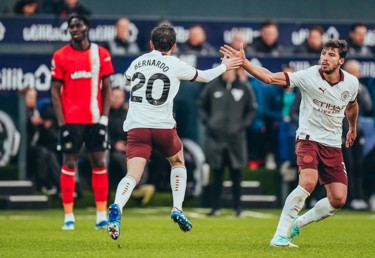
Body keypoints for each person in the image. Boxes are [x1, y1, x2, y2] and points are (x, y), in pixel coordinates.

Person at [106, 24, 242, 240]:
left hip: (137, 126)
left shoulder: (137, 61)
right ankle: (177, 208)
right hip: (162, 126)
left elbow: (126, 81)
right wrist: (225, 66)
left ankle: (117, 206)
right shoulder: (175, 63)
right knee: (178, 162)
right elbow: (204, 76)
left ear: (151, 43)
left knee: (132, 174)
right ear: (174, 45)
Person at [220, 39, 359, 247]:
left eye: (331, 55)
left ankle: (299, 223)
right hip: (308, 139)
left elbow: (352, 105)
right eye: (323, 53)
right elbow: (269, 77)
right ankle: (280, 235)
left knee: (338, 199)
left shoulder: (351, 82)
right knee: (308, 182)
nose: (325, 58)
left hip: (332, 145)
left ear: (341, 60)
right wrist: (245, 63)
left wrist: (353, 128)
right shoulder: (308, 76)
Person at [51, 15, 114, 230]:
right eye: (71, 26)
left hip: (95, 119)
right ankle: (69, 217)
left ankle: (100, 216)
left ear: (87, 27)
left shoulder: (101, 54)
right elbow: (54, 91)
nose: (74, 29)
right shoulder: (60, 56)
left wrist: (105, 118)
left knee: (99, 163)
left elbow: (107, 89)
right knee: (69, 164)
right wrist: (62, 124)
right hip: (71, 120)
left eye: (78, 25)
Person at [198, 68, 257, 217]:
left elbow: (252, 109)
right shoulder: (212, 87)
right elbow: (201, 105)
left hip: (236, 139)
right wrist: (208, 122)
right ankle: (215, 207)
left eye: (231, 70)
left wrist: (242, 125)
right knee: (216, 174)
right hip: (215, 138)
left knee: (236, 174)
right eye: (225, 70)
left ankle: (238, 208)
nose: (227, 74)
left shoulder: (244, 88)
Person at [342, 60, 373, 210]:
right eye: (350, 72)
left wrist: (358, 90)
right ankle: (349, 198)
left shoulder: (362, 88)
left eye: (356, 72)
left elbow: (368, 106)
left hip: (356, 131)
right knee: (348, 166)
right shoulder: (339, 87)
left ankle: (359, 197)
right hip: (342, 132)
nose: (354, 75)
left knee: (359, 166)